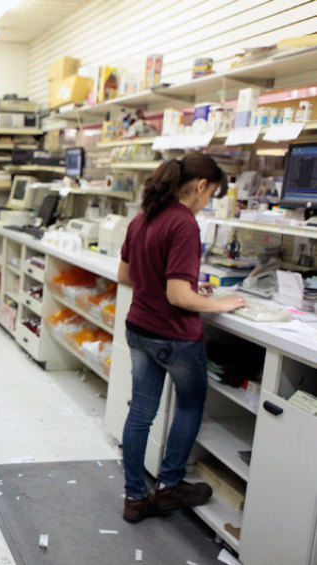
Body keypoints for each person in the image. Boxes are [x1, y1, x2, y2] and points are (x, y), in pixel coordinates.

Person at [117, 152, 247, 523]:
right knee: (190, 404)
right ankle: (169, 487)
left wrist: (185, 285)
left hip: (139, 330)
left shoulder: (143, 218)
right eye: (211, 195)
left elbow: (126, 276)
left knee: (140, 413)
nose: (207, 203)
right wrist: (218, 303)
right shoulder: (184, 223)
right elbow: (177, 297)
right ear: (201, 185)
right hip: (173, 336)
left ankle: (135, 498)